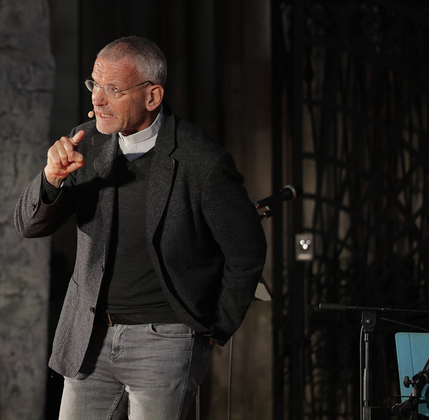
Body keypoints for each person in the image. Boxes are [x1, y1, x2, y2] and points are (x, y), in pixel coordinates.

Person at [15, 36, 267, 420]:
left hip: (165, 341)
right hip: (89, 338)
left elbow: (246, 251)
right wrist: (50, 179)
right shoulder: (87, 143)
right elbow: (29, 227)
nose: (98, 99)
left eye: (113, 89)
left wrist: (214, 328)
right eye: (94, 84)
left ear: (152, 97)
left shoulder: (201, 161)